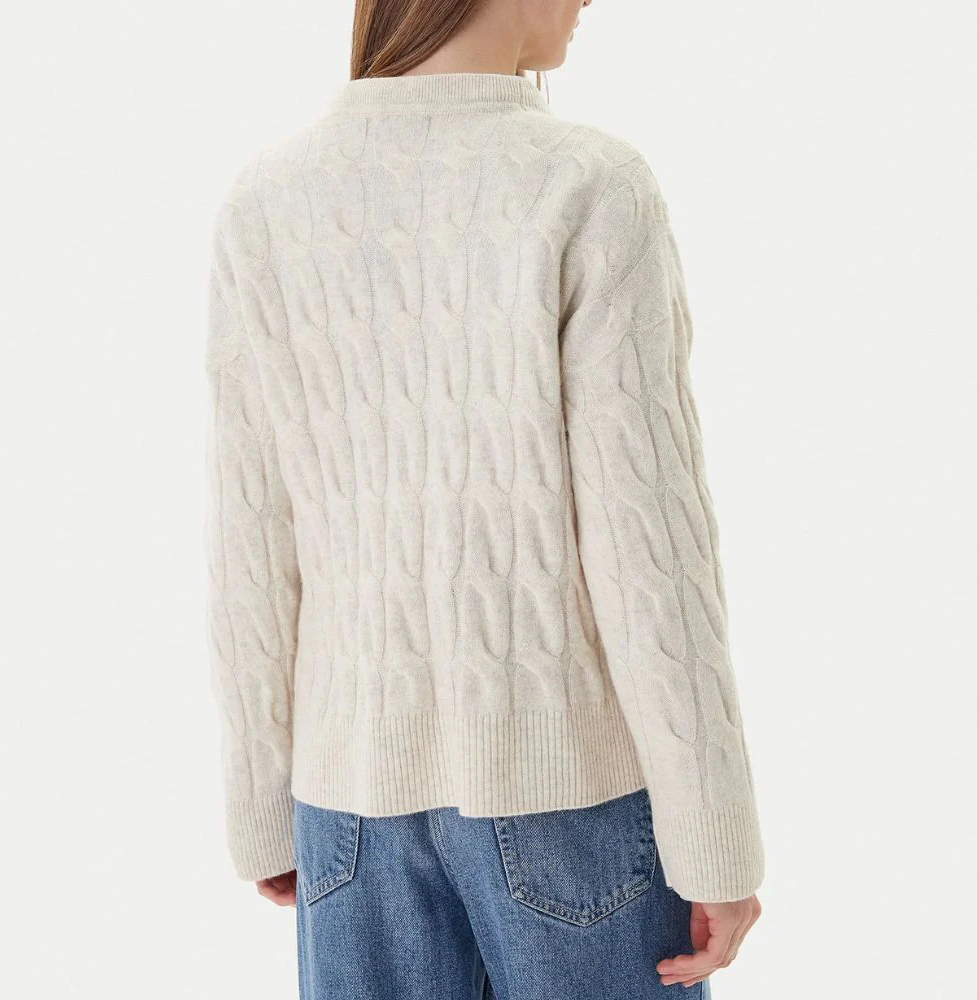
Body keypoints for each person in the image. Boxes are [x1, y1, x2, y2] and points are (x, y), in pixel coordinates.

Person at [203, 1, 765, 996]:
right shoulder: (588, 183)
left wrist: (261, 804)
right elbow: (647, 549)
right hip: (568, 798)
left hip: (344, 813)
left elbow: (250, 535)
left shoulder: (266, 200)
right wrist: (714, 839)